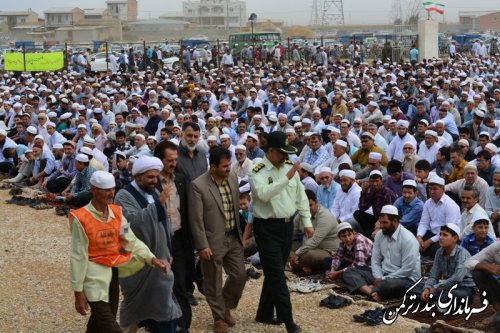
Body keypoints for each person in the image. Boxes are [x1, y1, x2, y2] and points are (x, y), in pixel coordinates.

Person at [69, 171, 169, 332]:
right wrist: (78, 290)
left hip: (112, 273)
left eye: (112, 189)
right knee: (110, 325)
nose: (111, 193)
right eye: (106, 189)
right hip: (92, 277)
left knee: (99, 321)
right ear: (94, 190)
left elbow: (130, 239)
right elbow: (78, 255)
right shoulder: (81, 218)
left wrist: (152, 259)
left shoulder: (117, 213)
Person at [249, 131, 313, 333]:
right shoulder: (257, 170)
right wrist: (286, 177)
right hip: (266, 228)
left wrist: (307, 221)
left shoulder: (288, 169)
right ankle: (289, 321)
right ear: (270, 151)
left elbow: (301, 197)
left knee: (272, 271)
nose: (286, 157)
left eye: (288, 153)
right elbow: (263, 195)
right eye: (282, 153)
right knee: (277, 274)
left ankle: (264, 313)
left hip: (286, 227)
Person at [114, 155, 182, 333]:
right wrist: (156, 206)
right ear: (138, 177)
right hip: (137, 263)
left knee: (163, 303)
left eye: (156, 177)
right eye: (150, 177)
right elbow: (131, 225)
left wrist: (168, 249)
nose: (154, 181)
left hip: (160, 259)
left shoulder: (155, 193)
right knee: (135, 307)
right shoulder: (123, 196)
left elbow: (164, 224)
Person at [189, 147, 246, 333]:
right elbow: (196, 219)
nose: (229, 168)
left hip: (233, 237)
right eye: (224, 166)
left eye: (229, 164)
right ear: (213, 167)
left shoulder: (232, 178)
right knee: (213, 281)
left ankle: (226, 307)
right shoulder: (198, 185)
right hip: (212, 242)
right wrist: (202, 245)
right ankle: (218, 318)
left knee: (239, 275)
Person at [153, 140, 193, 333]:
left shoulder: (181, 178)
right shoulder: (151, 182)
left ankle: (183, 325)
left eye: (175, 159)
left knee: (180, 283)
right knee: (159, 283)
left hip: (178, 238)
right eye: (170, 160)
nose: (174, 163)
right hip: (158, 240)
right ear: (159, 160)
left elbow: (187, 208)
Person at [343, 205, 421, 301]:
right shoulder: (380, 235)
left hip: (404, 278)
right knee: (349, 272)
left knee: (387, 284)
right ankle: (372, 292)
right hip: (383, 274)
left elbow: (407, 269)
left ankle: (372, 289)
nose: (381, 226)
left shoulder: (408, 239)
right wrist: (379, 277)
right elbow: (375, 260)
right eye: (380, 222)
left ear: (395, 222)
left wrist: (383, 280)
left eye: (385, 223)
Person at [410, 223, 475, 308]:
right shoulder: (439, 252)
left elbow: (457, 279)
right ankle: (435, 300)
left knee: (457, 295)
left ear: (455, 238)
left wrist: (434, 289)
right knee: (412, 287)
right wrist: (427, 288)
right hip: (444, 287)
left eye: (445, 235)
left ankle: (431, 300)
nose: (440, 237)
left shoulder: (462, 254)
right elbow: (433, 275)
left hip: (463, 287)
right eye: (440, 234)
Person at [291, 189, 339, 274]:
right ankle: (299, 266)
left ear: (316, 202)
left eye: (310, 205)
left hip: (327, 251)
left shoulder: (325, 216)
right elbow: (291, 234)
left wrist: (297, 253)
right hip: (307, 246)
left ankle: (291, 265)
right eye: (304, 207)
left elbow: (315, 241)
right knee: (284, 248)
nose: (308, 209)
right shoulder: (301, 214)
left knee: (309, 256)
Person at [417, 175, 461, 259]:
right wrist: (419, 237)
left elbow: (448, 230)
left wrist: (429, 242)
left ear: (443, 190)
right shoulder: (428, 203)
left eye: (435, 189)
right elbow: (423, 223)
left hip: (447, 235)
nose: (432, 191)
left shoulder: (450, 205)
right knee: (415, 242)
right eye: (430, 189)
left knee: (436, 250)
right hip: (433, 233)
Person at [464, 242, 500, 330]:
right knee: (478, 273)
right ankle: (498, 311)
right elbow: (468, 262)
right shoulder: (497, 247)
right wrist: (486, 266)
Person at [353, 170, 397, 238]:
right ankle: (369, 231)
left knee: (366, 234)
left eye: (377, 181)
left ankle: (371, 232)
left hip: (387, 221)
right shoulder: (370, 190)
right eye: (372, 181)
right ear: (369, 182)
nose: (375, 184)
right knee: (357, 213)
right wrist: (364, 192)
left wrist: (378, 225)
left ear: (381, 182)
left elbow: (388, 214)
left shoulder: (387, 193)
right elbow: (362, 208)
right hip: (376, 219)